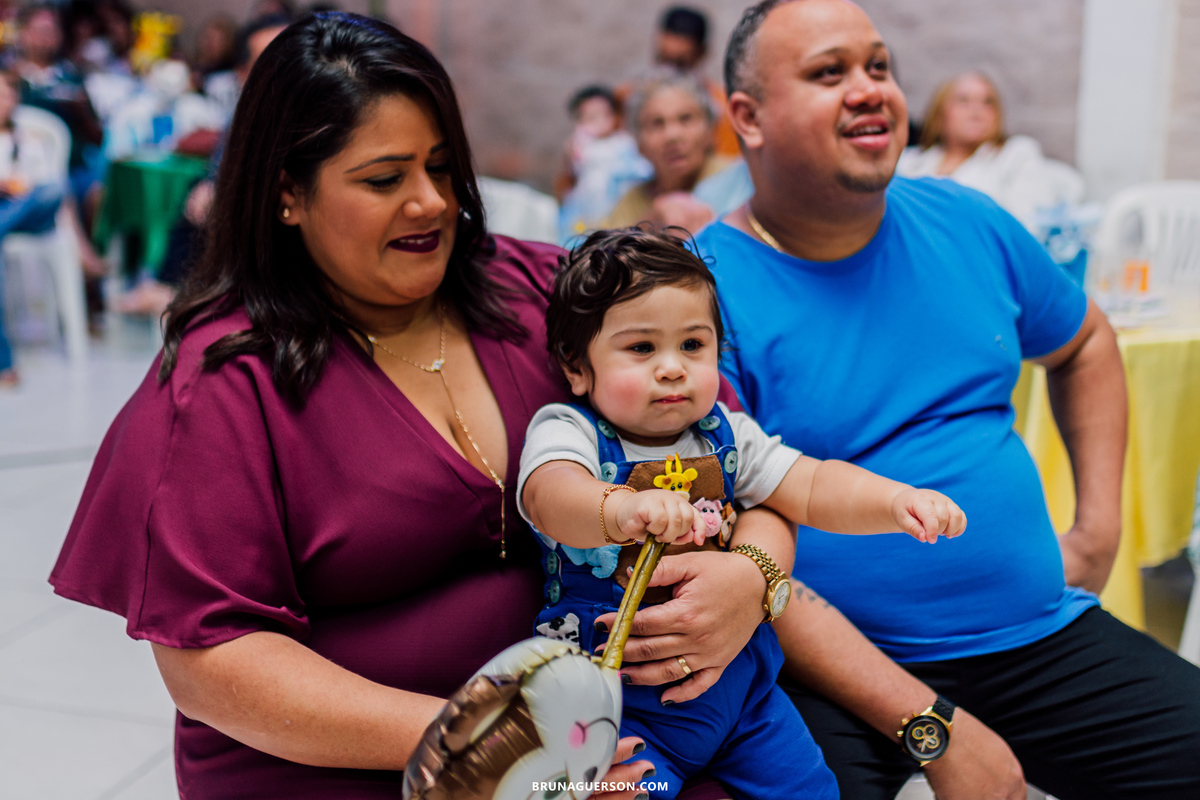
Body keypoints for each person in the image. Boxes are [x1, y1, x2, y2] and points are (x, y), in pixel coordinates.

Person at [49, 13, 782, 798]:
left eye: (441, 167)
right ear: (287, 194)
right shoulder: (225, 383)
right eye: (384, 178)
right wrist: (496, 744)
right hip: (351, 765)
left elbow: (746, 467)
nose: (431, 202)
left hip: (612, 732)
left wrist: (755, 574)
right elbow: (212, 663)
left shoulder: (546, 294)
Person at [694, 2, 1200, 799]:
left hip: (1036, 636)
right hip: (830, 670)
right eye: (831, 73)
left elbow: (1086, 344)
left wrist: (1098, 532)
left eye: (879, 66)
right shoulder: (697, 297)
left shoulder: (966, 221)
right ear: (748, 118)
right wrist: (933, 727)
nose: (870, 90)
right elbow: (732, 555)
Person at [520, 226, 966, 798]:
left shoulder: (725, 435)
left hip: (746, 697)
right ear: (578, 366)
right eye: (641, 348)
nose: (673, 368)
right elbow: (549, 495)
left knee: (814, 790)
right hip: (624, 713)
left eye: (693, 345)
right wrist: (621, 508)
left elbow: (810, 483)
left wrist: (894, 500)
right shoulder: (571, 429)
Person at [896, 72, 1084, 230]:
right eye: (964, 101)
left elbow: (1028, 227)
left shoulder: (1016, 156)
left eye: (988, 102)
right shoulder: (909, 162)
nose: (977, 110)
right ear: (940, 112)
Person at [604, 70, 748, 234]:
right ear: (638, 143)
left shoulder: (740, 181)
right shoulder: (633, 200)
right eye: (657, 124)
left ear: (711, 130)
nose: (672, 136)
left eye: (686, 119)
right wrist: (648, 225)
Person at [0, 67, 67, 387]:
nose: (4, 101)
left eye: (8, 94)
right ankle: (4, 362)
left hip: (29, 211)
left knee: (52, 190)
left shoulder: (29, 138)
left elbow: (42, 182)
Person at [555, 85, 649, 242]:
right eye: (589, 117)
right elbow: (570, 178)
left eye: (603, 115)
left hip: (616, 206)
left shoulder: (623, 143)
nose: (597, 123)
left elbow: (640, 170)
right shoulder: (579, 145)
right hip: (584, 208)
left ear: (615, 116)